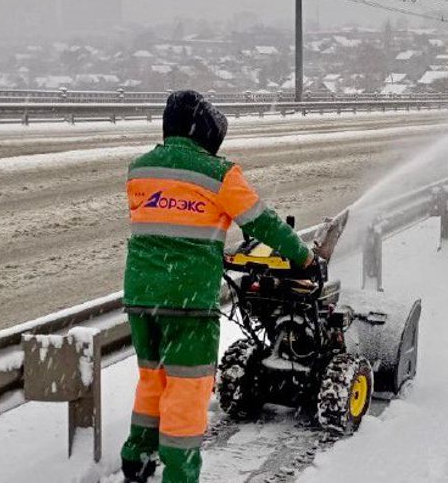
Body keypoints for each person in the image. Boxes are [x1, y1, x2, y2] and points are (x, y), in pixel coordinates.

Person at [120, 90, 313, 483]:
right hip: (189, 302)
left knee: (152, 381)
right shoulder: (220, 174)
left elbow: (171, 227)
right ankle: (180, 476)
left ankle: (137, 459)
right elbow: (262, 222)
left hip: (141, 298)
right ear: (205, 130)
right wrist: (302, 256)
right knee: (187, 395)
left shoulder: (139, 170)